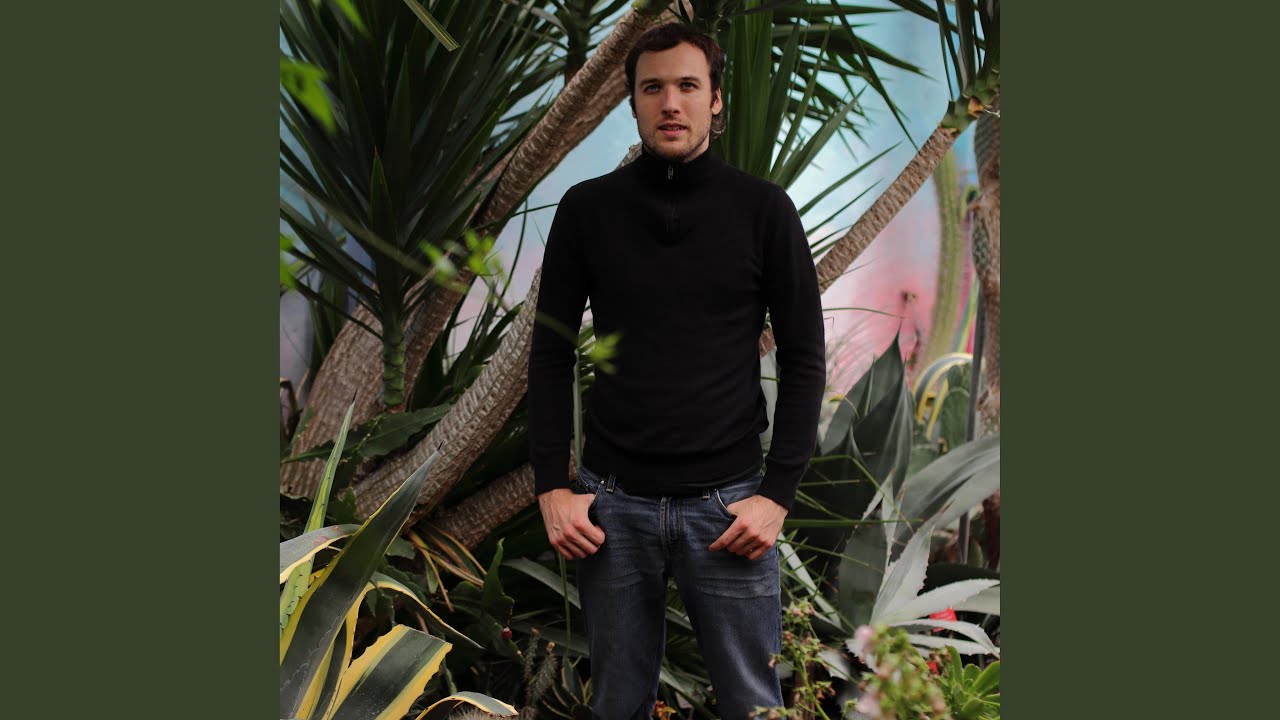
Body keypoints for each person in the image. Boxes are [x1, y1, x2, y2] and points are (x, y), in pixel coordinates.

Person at [527, 23, 826, 720]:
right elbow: (550, 352)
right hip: (610, 508)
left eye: (688, 86)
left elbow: (805, 357)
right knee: (616, 706)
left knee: (754, 707)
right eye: (652, 87)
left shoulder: (764, 211)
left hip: (729, 510)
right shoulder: (587, 210)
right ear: (632, 101)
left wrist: (776, 496)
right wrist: (552, 488)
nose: (670, 102)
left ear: (715, 99)